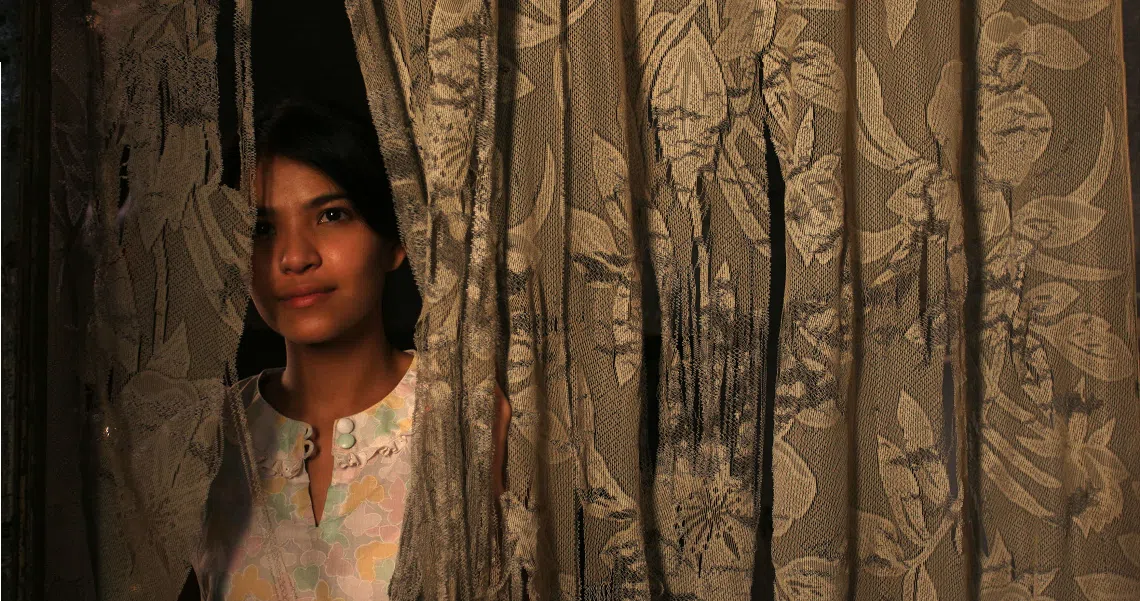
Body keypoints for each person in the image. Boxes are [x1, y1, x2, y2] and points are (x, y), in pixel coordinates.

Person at [183, 99, 509, 601]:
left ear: (397, 239)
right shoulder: (205, 437)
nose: (294, 257)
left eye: (331, 215)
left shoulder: (470, 418)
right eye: (262, 229)